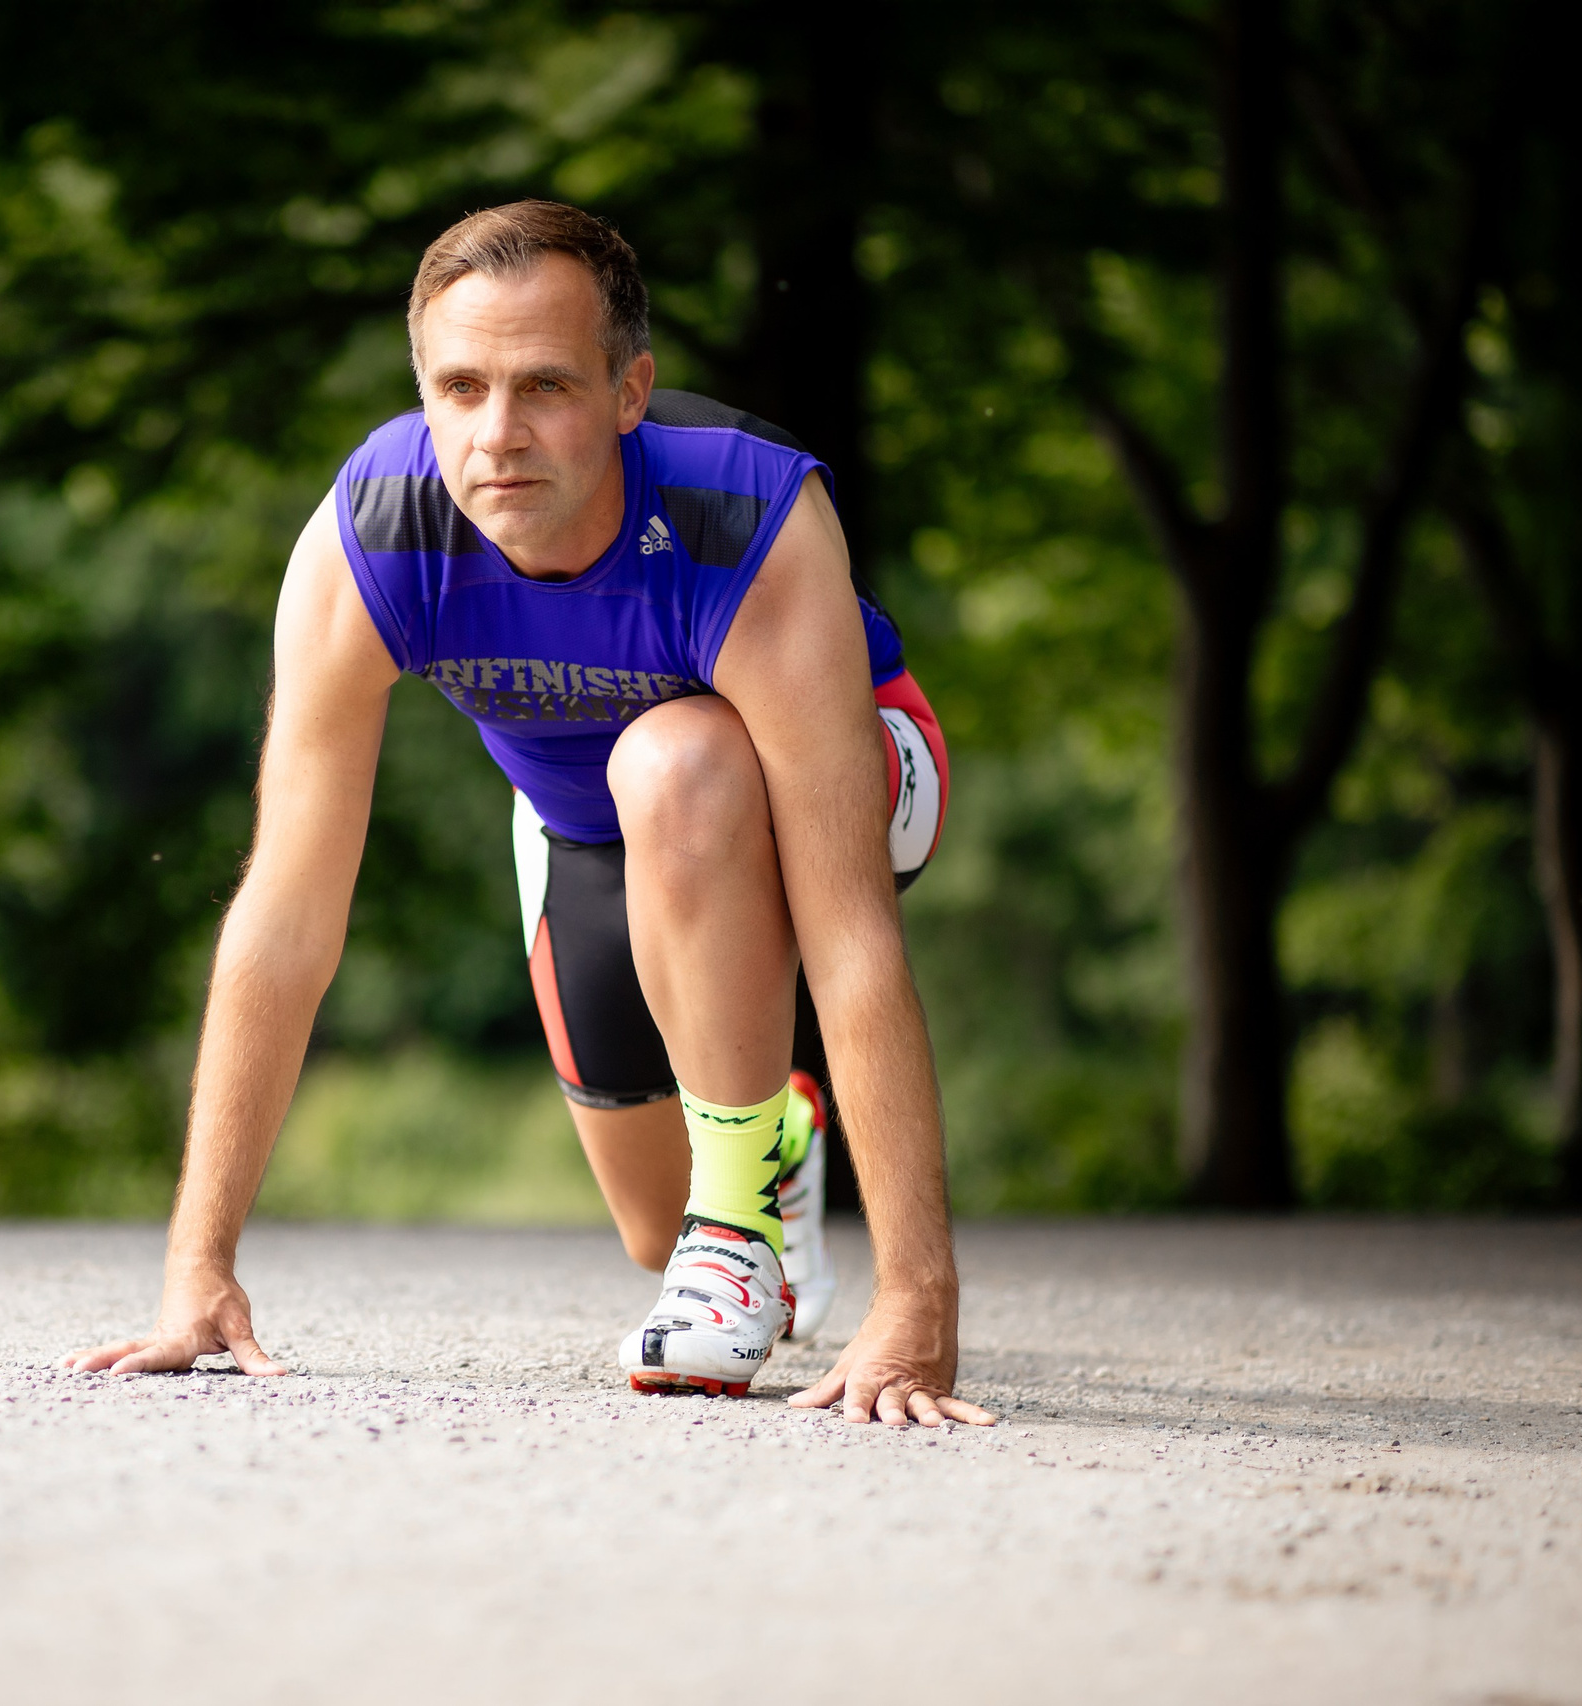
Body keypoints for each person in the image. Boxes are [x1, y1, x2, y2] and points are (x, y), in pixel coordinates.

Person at [65, 201, 994, 1427]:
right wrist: (197, 1266)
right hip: (582, 822)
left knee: (676, 757)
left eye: (545, 385)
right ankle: (769, 1146)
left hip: (849, 770)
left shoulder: (743, 520)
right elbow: (285, 911)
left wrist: (917, 1305)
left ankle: (739, 1203)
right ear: (421, 391)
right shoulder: (374, 534)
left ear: (628, 390)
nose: (496, 434)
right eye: (459, 387)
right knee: (647, 1227)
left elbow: (850, 938)